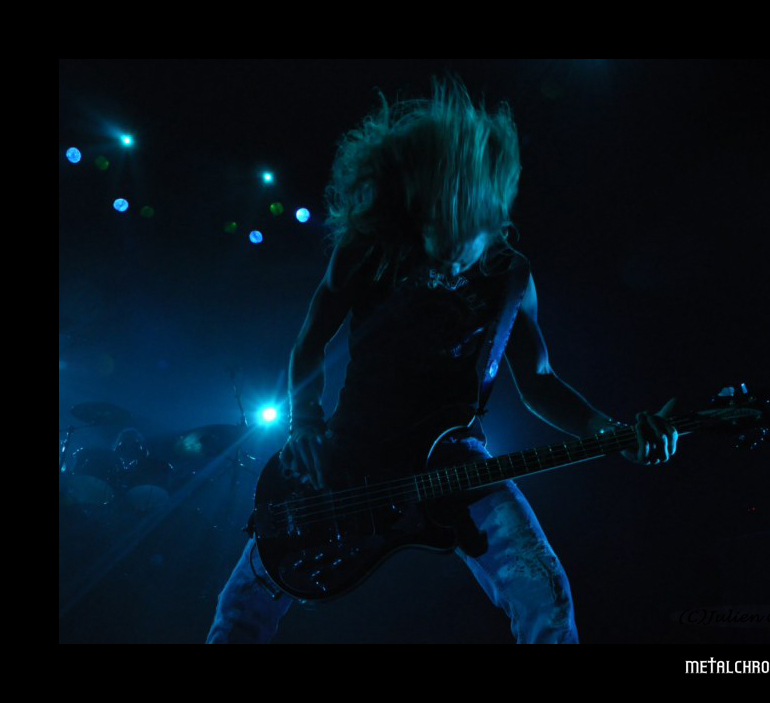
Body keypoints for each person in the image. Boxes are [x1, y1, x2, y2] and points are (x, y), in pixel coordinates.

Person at [207, 77, 678, 644]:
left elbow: (538, 380)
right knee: (241, 608)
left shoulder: (512, 277)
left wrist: (612, 431)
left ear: (487, 216)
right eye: (432, 234)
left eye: (459, 241)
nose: (445, 259)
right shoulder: (368, 248)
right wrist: (303, 422)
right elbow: (310, 341)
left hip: (455, 461)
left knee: (546, 598)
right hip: (351, 453)